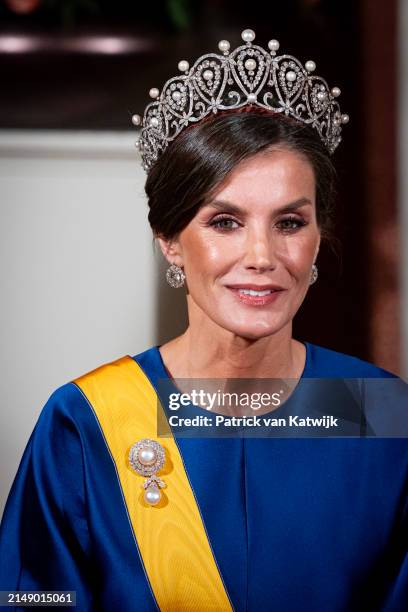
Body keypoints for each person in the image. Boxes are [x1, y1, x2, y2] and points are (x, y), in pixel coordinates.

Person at [0, 28, 407, 612]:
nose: (263, 257)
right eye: (224, 222)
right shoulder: (86, 422)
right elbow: (34, 599)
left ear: (319, 238)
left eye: (290, 223)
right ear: (168, 239)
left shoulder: (382, 414)